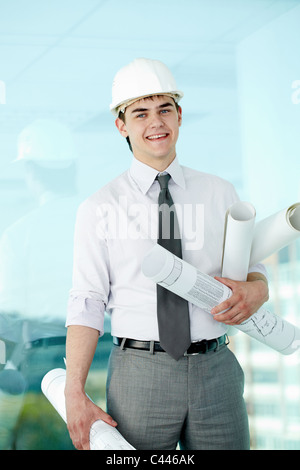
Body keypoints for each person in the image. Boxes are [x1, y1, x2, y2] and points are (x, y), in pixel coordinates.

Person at [65, 58, 269, 450]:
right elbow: (86, 302)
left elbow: (251, 268)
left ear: (179, 116)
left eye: (164, 110)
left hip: (218, 369)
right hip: (140, 374)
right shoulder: (99, 208)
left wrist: (258, 289)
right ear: (121, 125)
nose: (155, 123)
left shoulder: (220, 192)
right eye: (140, 113)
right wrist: (75, 391)